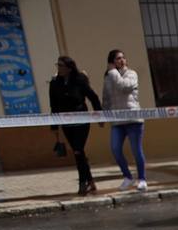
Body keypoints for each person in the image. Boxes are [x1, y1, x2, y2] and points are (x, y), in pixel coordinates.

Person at [48, 56, 102, 196]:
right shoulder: (54, 83)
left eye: (61, 65)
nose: (58, 68)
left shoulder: (79, 80)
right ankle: (90, 181)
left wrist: (99, 115)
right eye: (57, 65)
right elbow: (53, 104)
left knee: (78, 150)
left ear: (69, 67)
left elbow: (93, 97)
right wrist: (54, 126)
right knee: (78, 152)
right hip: (66, 122)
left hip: (81, 120)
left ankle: (82, 183)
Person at [103, 49, 146, 192]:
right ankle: (128, 177)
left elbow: (124, 87)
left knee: (136, 150)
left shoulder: (131, 74)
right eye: (117, 59)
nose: (121, 60)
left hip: (133, 118)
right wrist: (104, 114)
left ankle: (142, 179)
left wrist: (113, 72)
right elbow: (106, 97)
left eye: (122, 58)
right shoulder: (109, 77)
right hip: (117, 121)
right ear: (112, 62)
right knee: (115, 149)